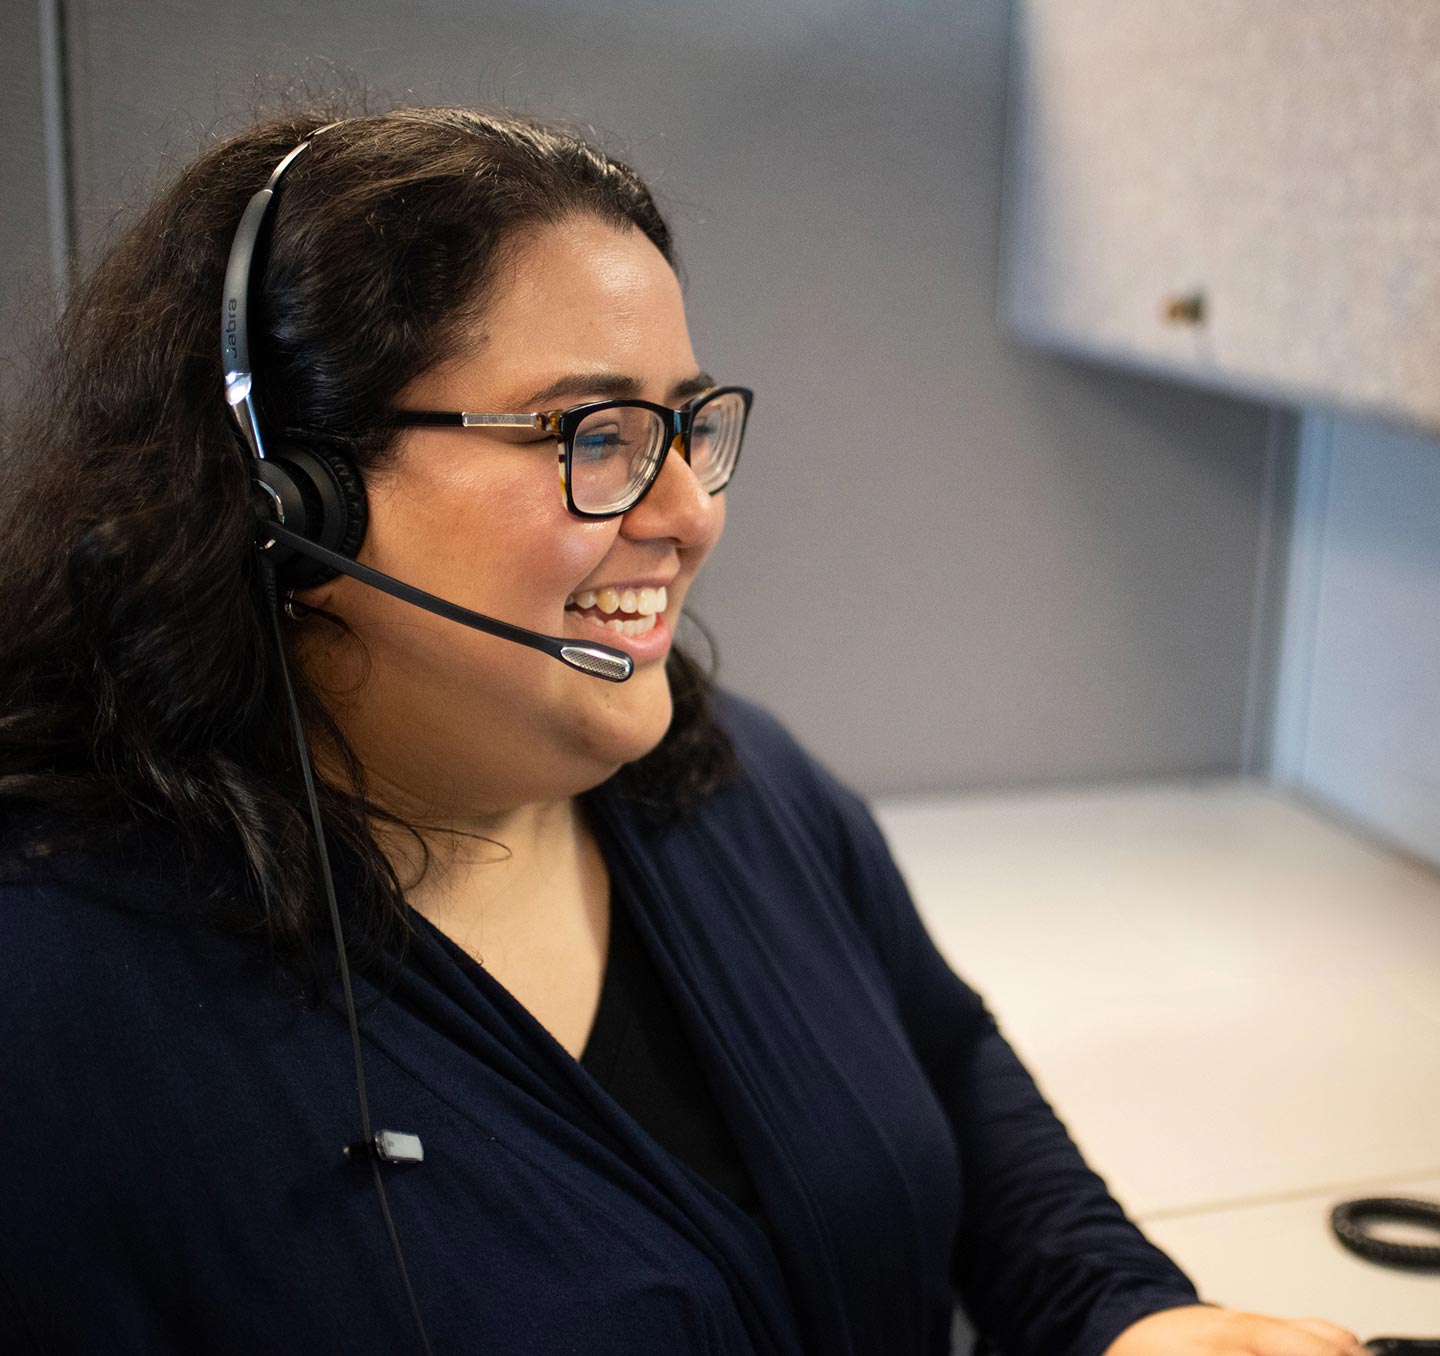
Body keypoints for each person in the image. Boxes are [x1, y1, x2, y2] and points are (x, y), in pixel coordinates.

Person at [0, 105, 1367, 1356]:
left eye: (688, 426)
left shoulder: (738, 787)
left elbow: (945, 1060)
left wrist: (1119, 1314)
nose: (689, 512)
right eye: (591, 431)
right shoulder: (69, 995)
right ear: (294, 498)